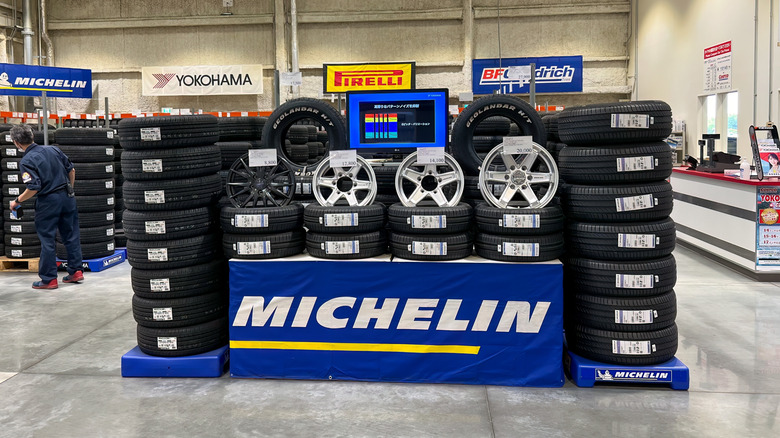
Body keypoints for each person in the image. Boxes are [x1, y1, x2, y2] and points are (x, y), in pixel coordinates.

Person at [9, 124, 83, 289]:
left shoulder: (27, 160)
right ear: (32, 137)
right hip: (67, 197)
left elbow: (33, 187)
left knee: (47, 239)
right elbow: (71, 170)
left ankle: (49, 279)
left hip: (48, 202)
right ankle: (76, 271)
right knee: (71, 235)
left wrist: (17, 201)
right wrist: (69, 190)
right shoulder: (53, 150)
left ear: (16, 143)